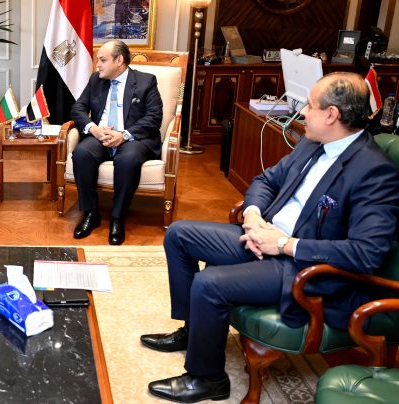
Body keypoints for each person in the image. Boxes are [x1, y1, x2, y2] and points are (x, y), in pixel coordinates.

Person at [142, 72, 399, 403]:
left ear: (331, 115)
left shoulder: (374, 172)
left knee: (209, 283)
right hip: (264, 236)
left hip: (300, 266)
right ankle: (193, 332)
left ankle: (207, 379)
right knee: (179, 235)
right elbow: (266, 180)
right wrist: (253, 217)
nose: (302, 112)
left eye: (310, 105)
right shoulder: (311, 143)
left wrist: (283, 244)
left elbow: (366, 253)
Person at [69, 39, 163, 245]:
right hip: (101, 135)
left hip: (132, 138)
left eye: (103, 60)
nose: (98, 65)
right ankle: (90, 213)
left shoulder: (146, 81)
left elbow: (154, 117)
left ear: (119, 60)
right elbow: (78, 108)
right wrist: (94, 129)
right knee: (82, 154)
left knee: (127, 160)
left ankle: (117, 218)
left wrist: (124, 134)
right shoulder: (96, 80)